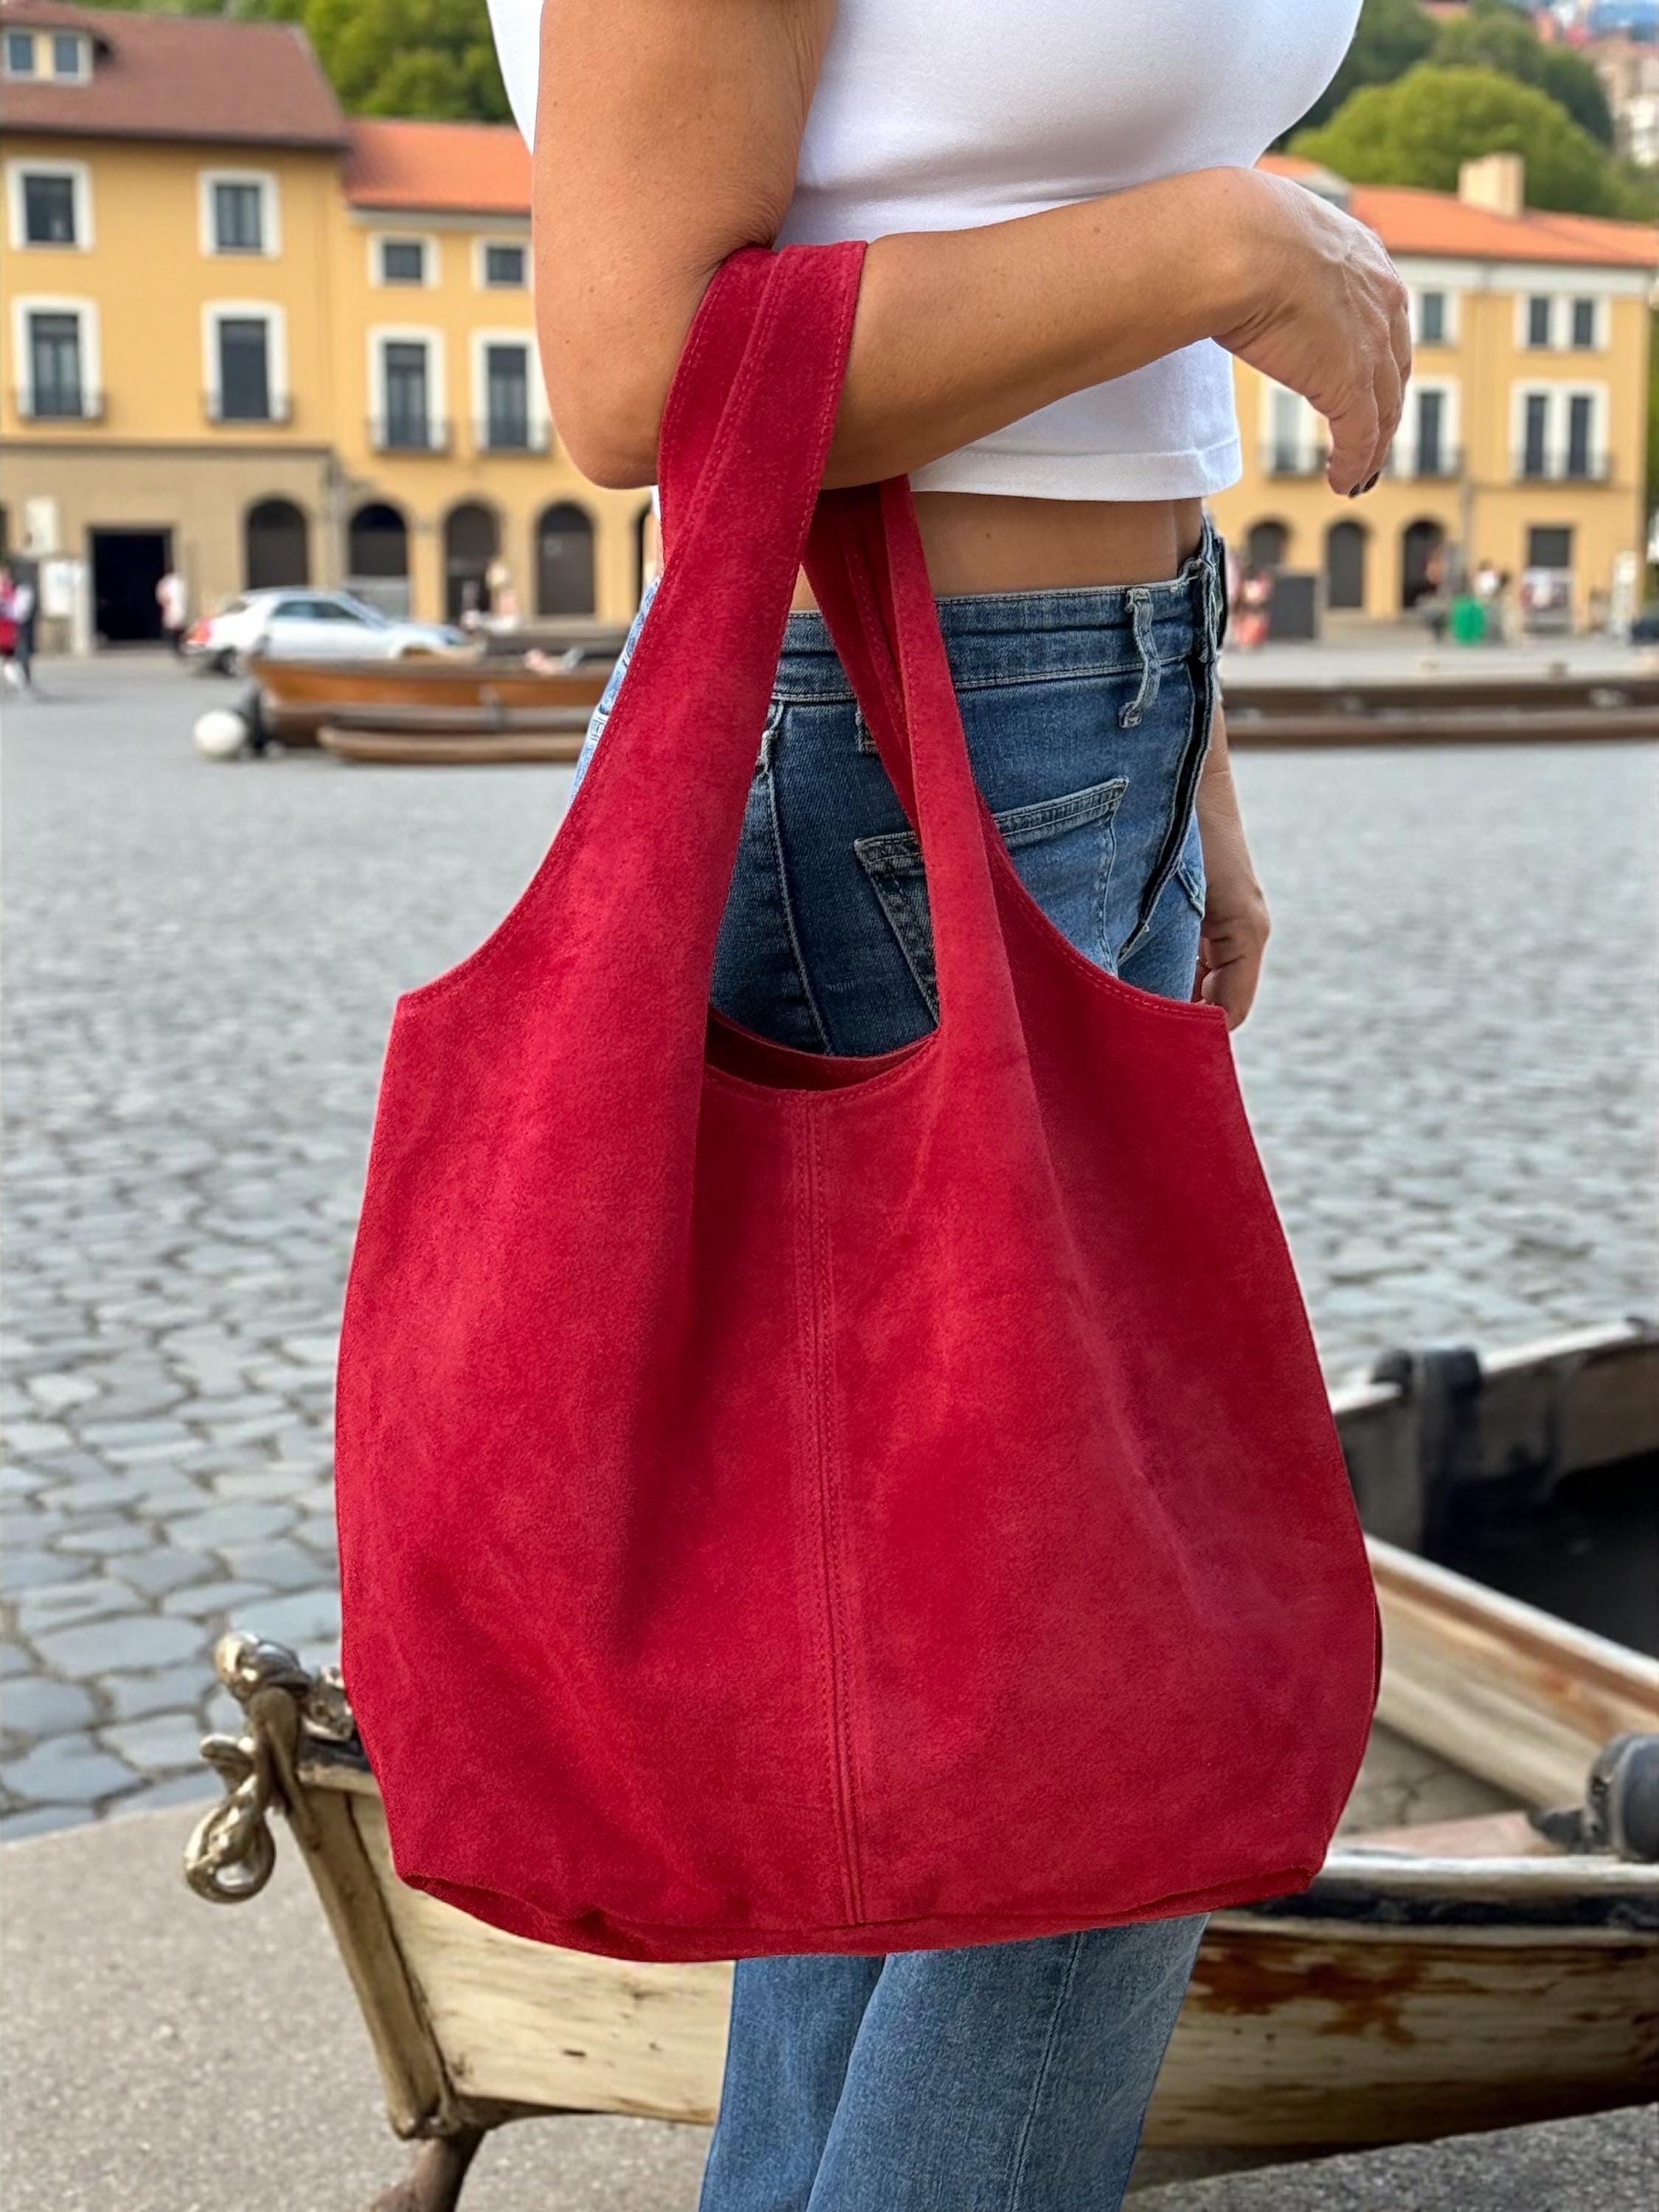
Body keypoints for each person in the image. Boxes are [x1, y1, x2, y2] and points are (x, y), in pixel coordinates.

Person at [487, 4, 1407, 2205]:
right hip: (897, 739)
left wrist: (1185, 746)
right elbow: (636, 373)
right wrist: (1219, 246)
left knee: (896, 1719)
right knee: (1115, 1725)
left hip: (1069, 716)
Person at [156, 567, 188, 654]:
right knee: (174, 626)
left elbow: (162, 595)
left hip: (176, 607)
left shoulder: (172, 582)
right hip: (174, 607)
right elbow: (163, 596)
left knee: (177, 627)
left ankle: (178, 645)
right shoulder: (172, 582)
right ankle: (176, 645)